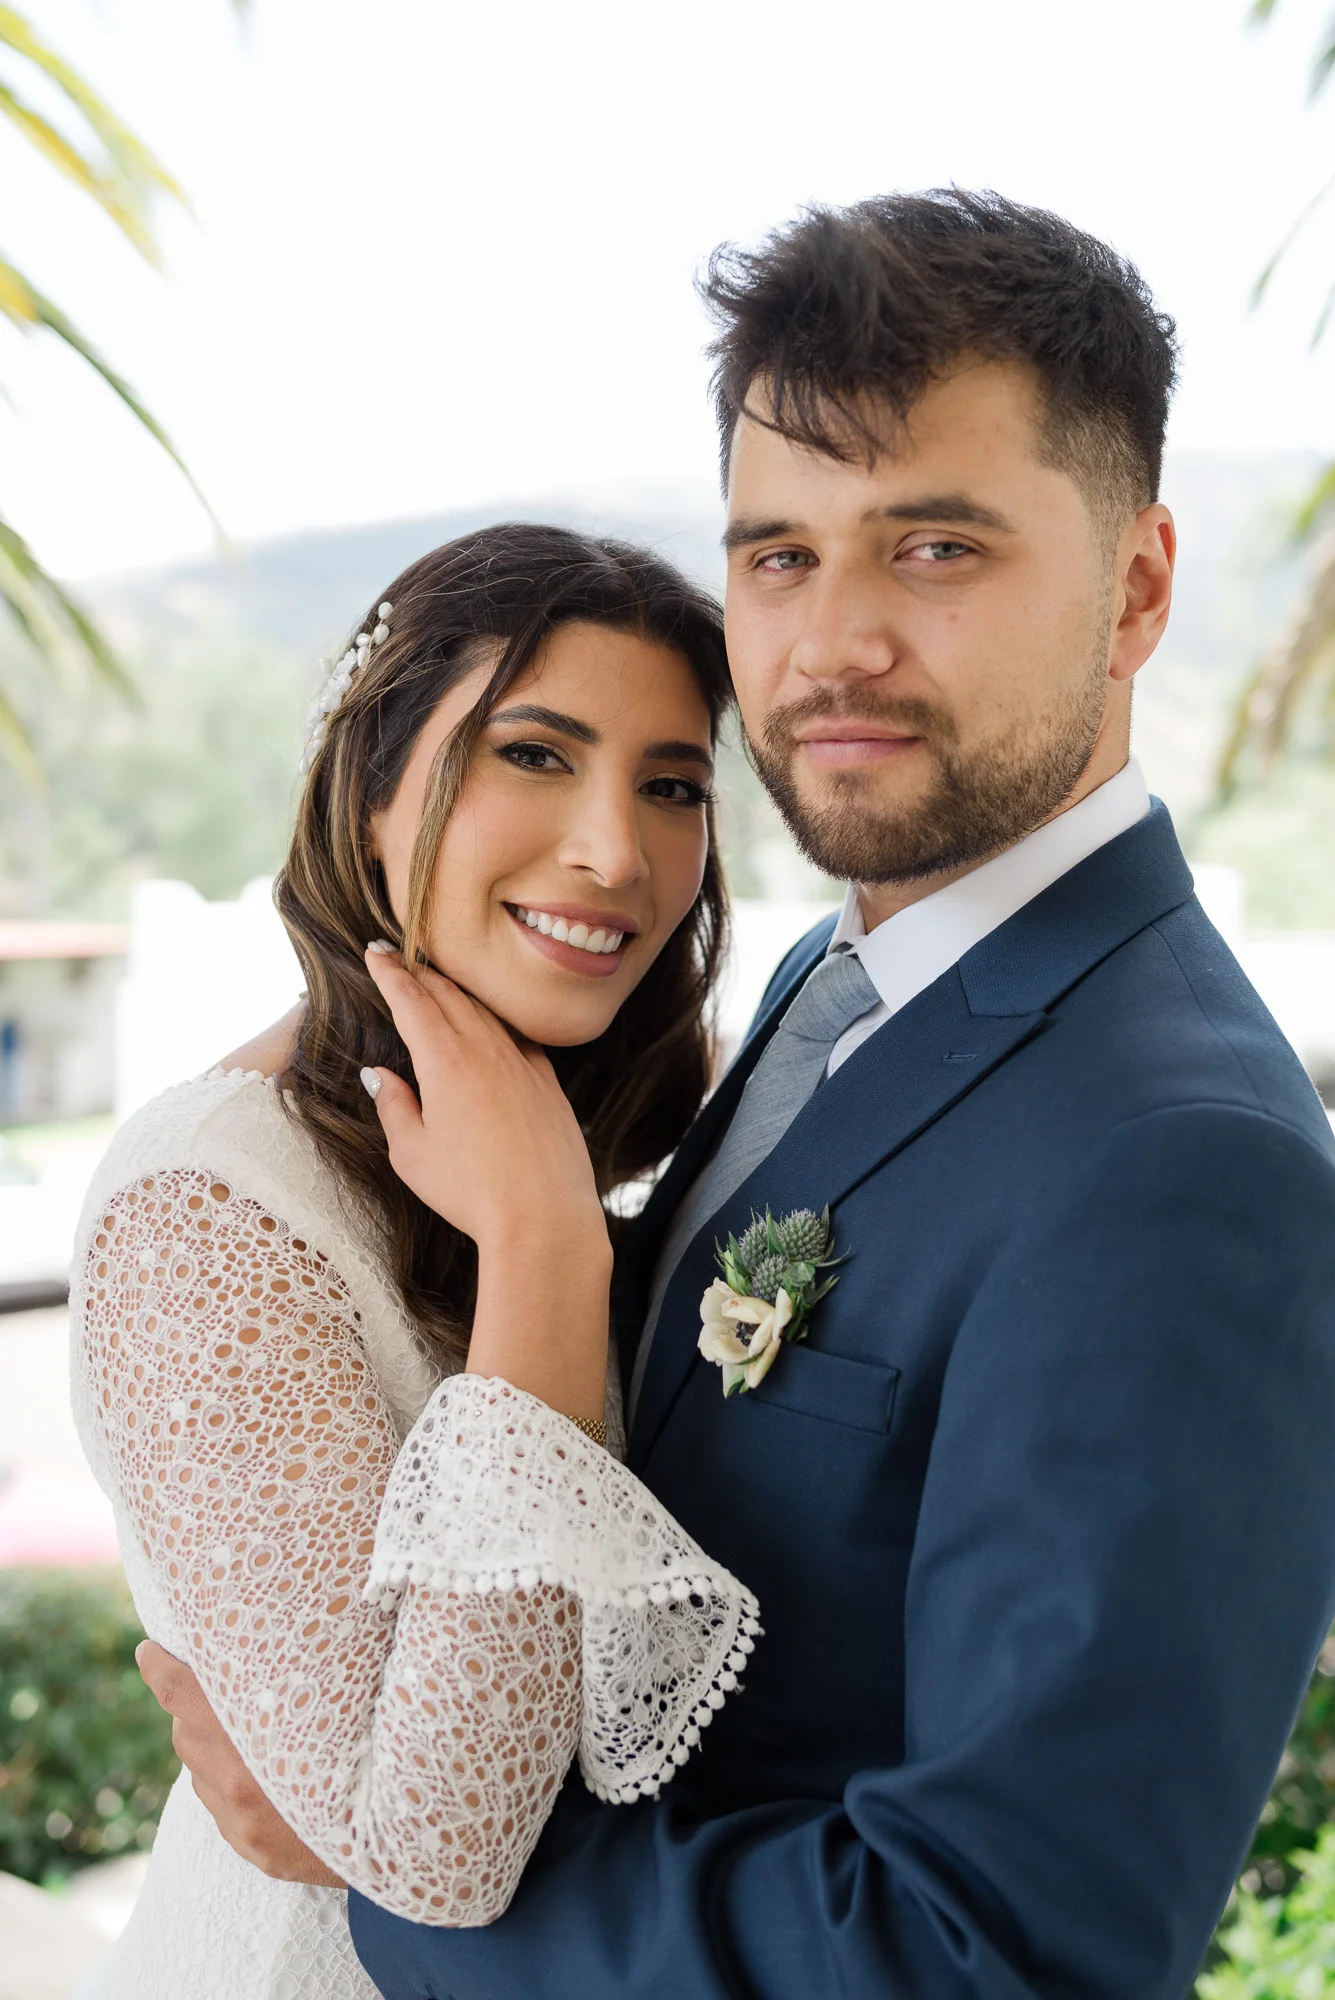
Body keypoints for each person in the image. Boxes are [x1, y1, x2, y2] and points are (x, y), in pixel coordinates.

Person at [144, 192, 1335, 2000]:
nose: (830, 641)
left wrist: (382, 1868)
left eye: (933, 549)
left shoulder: (1185, 1164)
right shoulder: (823, 987)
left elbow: (992, 1958)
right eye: (777, 556)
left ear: (1139, 587)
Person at [70, 523, 763, 1999]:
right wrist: (537, 1262)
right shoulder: (210, 1203)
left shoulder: (590, 1157)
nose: (613, 848)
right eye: (533, 754)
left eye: (671, 786)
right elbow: (432, 1853)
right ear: (374, 785)